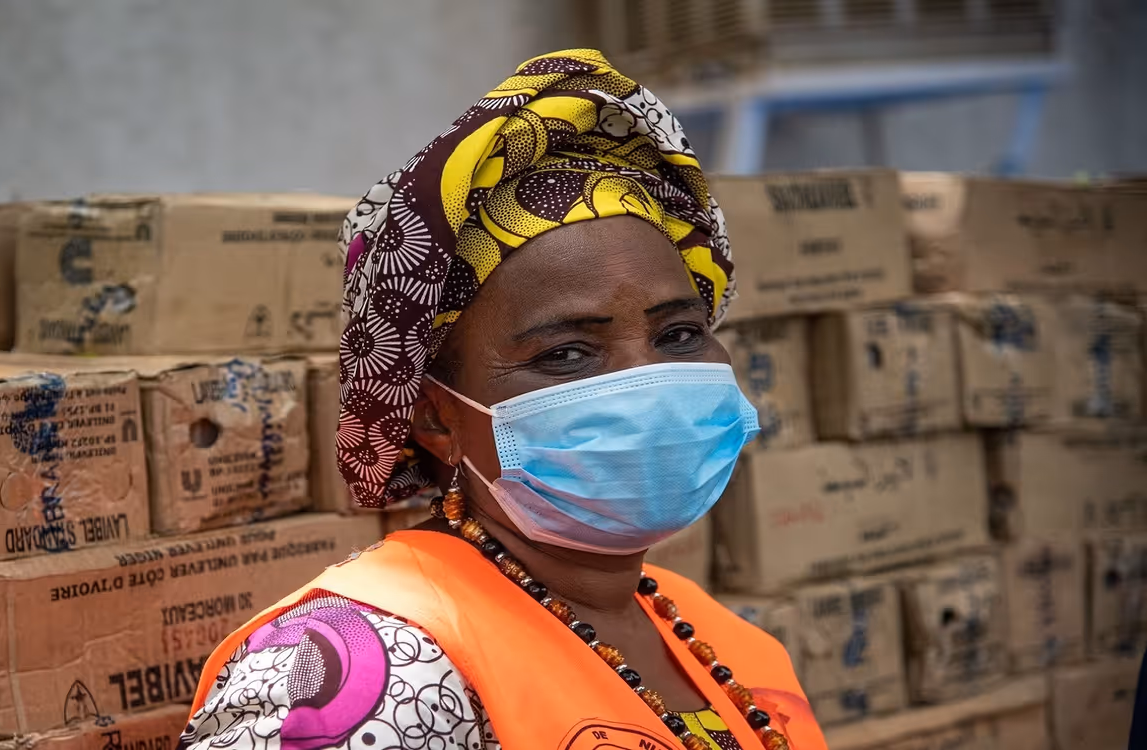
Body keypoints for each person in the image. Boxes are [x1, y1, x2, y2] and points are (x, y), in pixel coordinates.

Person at [177, 49, 827, 750]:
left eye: (677, 333)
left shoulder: (714, 636)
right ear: (434, 416)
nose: (647, 382)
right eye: (565, 354)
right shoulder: (374, 669)